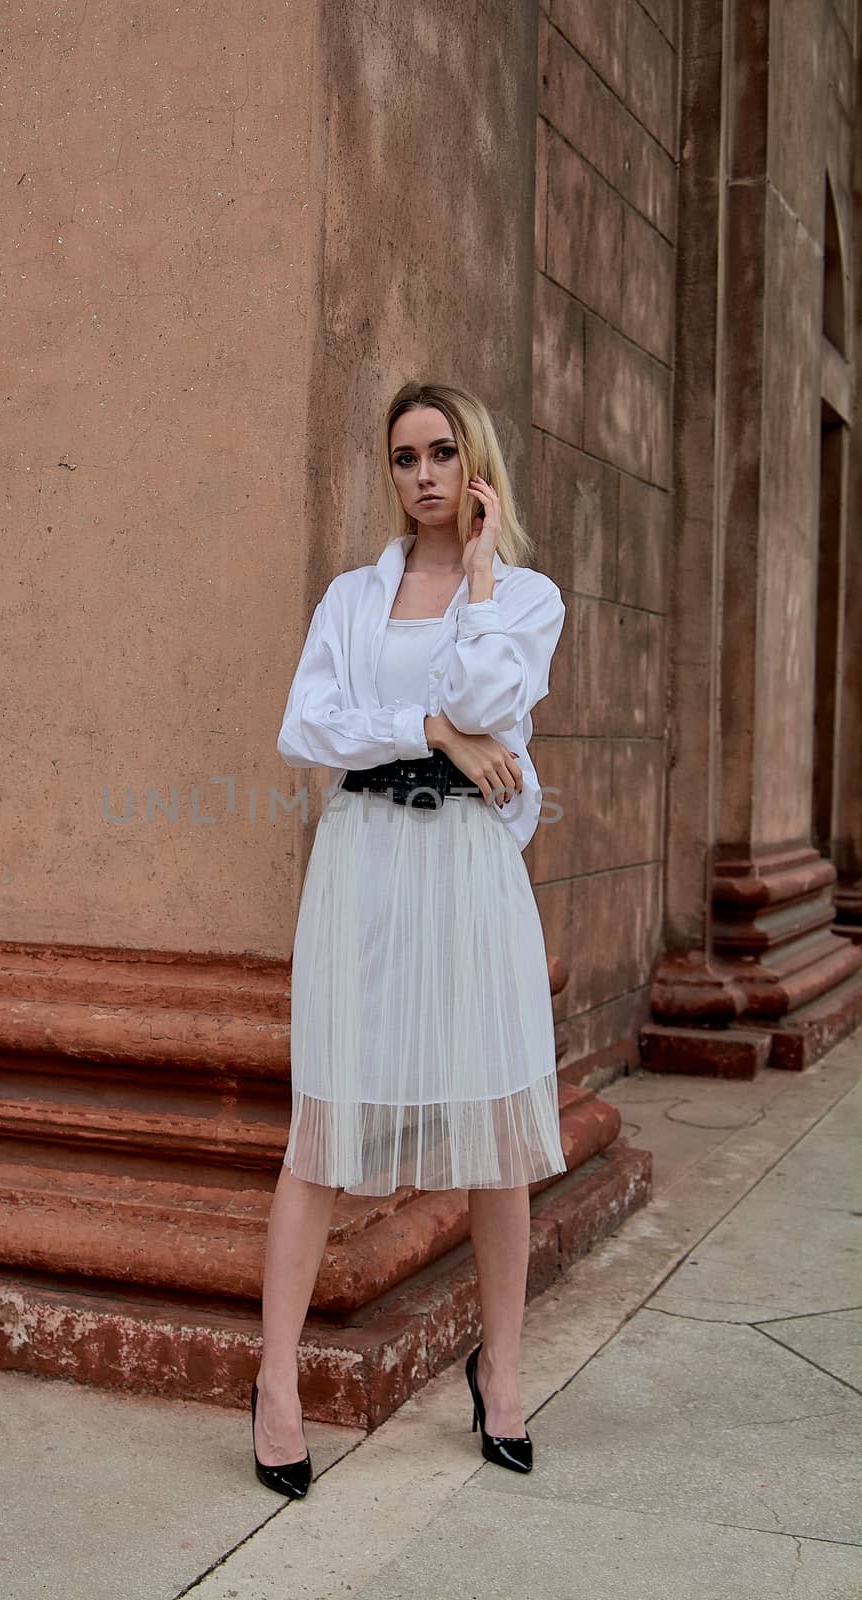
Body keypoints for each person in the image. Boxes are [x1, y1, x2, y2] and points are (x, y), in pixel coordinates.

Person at [251, 380, 568, 1499]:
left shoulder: (524, 598)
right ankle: (276, 1380)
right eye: (402, 457)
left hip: (468, 870)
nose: (423, 474)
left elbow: (495, 696)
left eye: (441, 452)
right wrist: (426, 726)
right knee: (323, 1122)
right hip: (367, 864)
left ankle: (505, 1372)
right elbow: (308, 724)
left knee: (494, 1130)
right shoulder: (351, 597)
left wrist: (478, 584)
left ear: (473, 465)